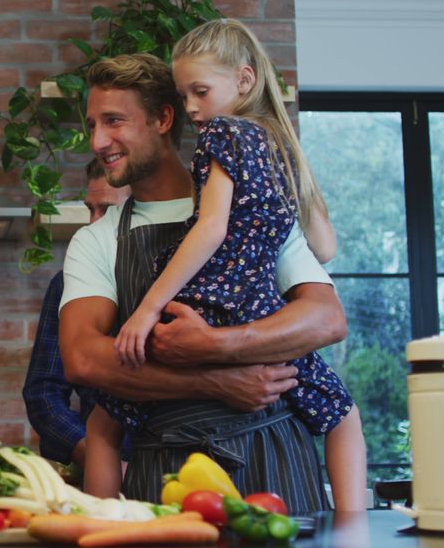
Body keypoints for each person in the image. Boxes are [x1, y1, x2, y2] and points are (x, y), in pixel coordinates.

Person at [61, 52, 366, 513]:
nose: (98, 141)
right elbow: (84, 359)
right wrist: (217, 381)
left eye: (114, 121)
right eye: (92, 125)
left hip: (281, 469)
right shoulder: (96, 240)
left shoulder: (249, 211)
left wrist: (214, 346)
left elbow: (325, 319)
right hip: (162, 480)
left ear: (164, 119)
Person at [22, 159, 130, 469]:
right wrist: (94, 456)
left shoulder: (182, 279)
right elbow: (43, 392)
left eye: (107, 210)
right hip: (99, 468)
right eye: (90, 209)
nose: (93, 222)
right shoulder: (67, 284)